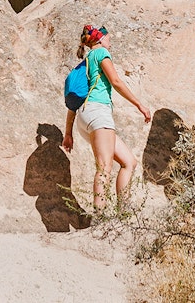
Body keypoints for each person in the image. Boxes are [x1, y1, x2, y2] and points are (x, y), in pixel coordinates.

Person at [62, 25, 151, 210]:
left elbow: (74, 102)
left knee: (129, 162)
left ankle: (123, 212)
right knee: (104, 168)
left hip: (86, 117)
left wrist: (68, 133)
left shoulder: (86, 62)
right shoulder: (101, 53)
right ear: (100, 39)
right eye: (108, 38)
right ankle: (100, 216)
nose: (110, 42)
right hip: (98, 113)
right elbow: (116, 81)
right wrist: (139, 105)